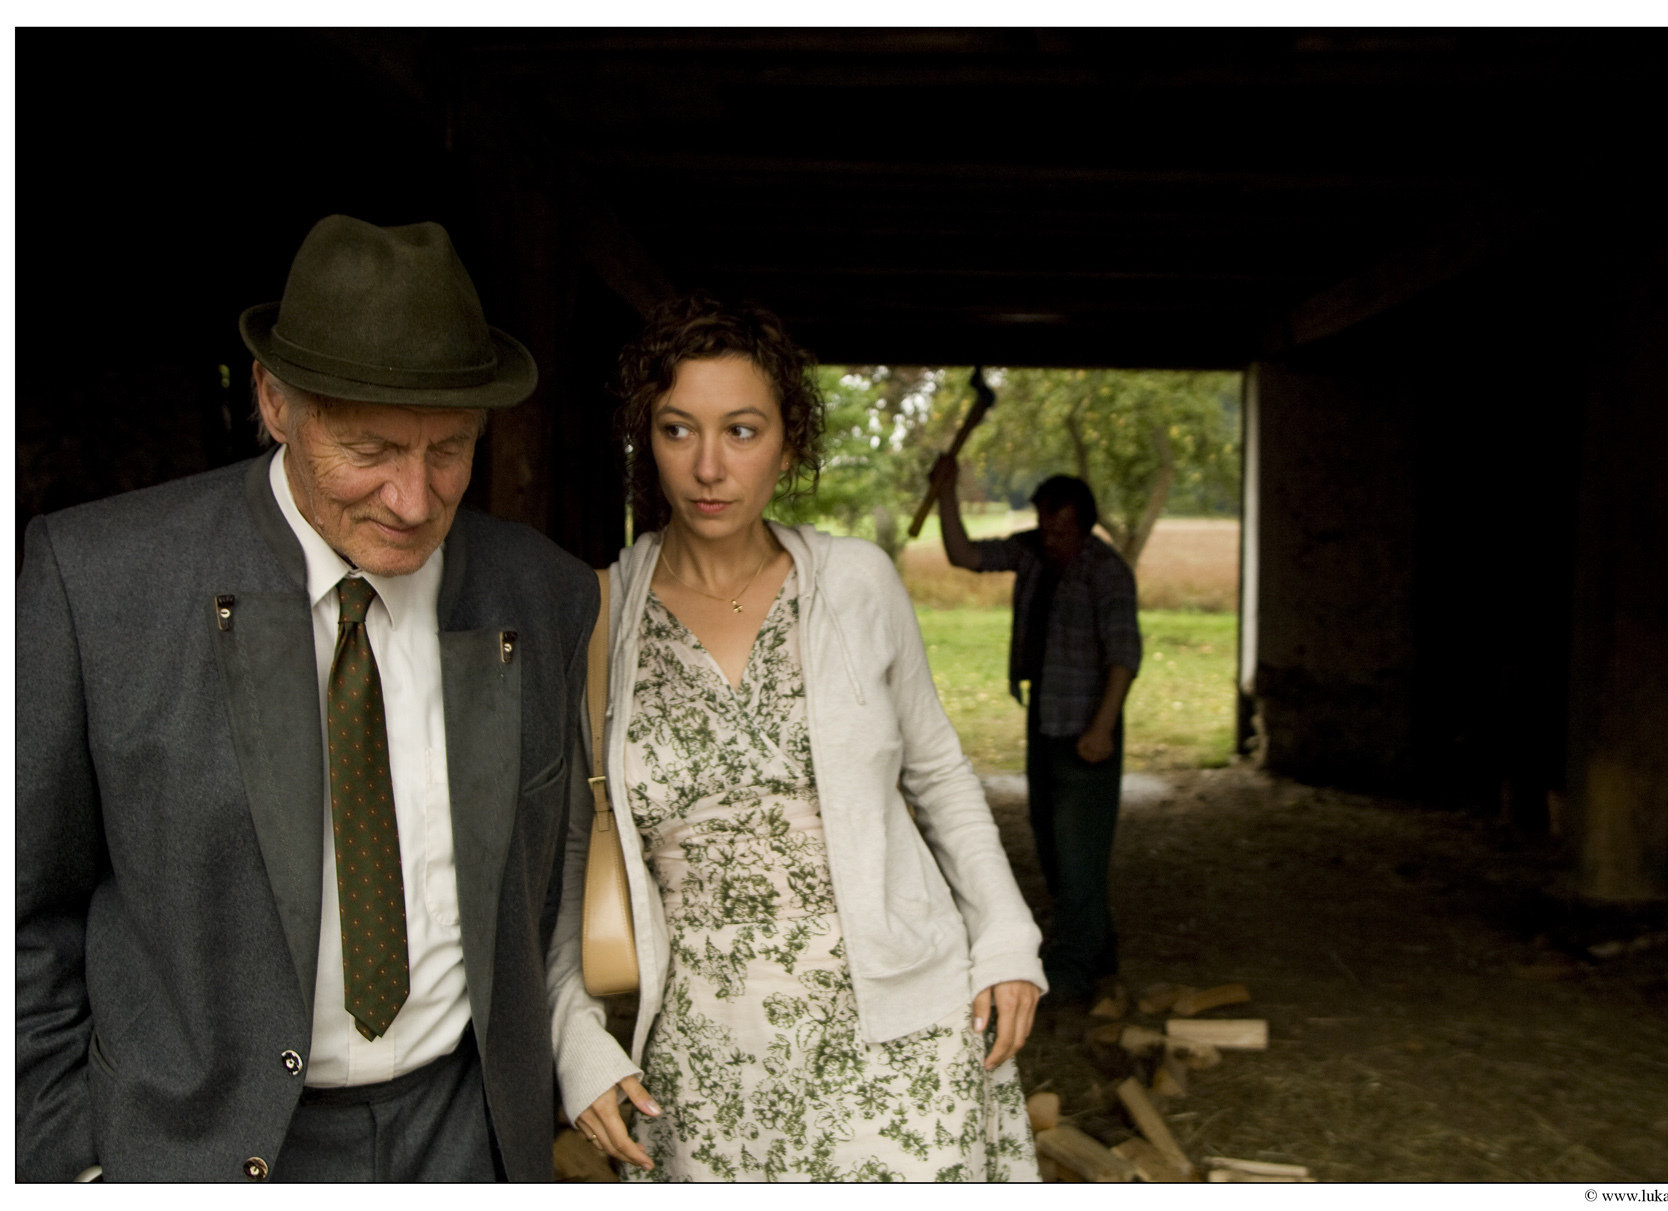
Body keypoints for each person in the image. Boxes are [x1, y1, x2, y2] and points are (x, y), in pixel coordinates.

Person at [15, 215, 599, 1182]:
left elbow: (547, 893)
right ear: (274, 400)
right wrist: (66, 1163)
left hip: (468, 1139)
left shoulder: (543, 594)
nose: (413, 499)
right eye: (370, 449)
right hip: (192, 1152)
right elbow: (25, 911)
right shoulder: (96, 583)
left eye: (448, 449)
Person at [546, 295, 1045, 1181]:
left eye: (742, 430)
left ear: (788, 439)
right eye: (677, 429)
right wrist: (575, 1033)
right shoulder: (596, 613)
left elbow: (940, 774)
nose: (709, 466)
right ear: (644, 437)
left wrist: (1008, 936)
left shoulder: (856, 582)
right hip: (706, 1069)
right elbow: (569, 845)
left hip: (900, 1041)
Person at [928, 456, 1140, 1006]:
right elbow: (964, 554)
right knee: (1051, 844)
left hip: (1087, 732)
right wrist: (946, 494)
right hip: (1047, 722)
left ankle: (1072, 967)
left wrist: (1102, 729)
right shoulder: (1031, 552)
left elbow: (1123, 657)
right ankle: (1100, 953)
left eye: (1062, 528)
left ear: (1085, 525)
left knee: (1078, 854)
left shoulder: (1106, 571)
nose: (1052, 536)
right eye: (1046, 523)